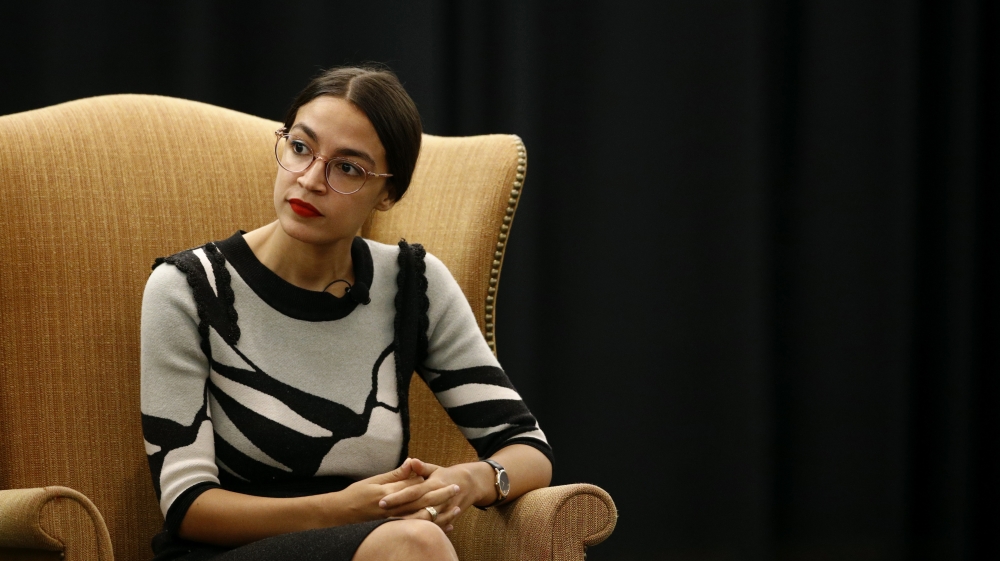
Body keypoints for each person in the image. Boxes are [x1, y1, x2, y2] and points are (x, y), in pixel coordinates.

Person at [140, 65, 553, 561]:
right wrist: (343, 508)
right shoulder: (190, 288)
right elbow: (186, 506)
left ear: (389, 193)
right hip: (224, 552)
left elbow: (527, 446)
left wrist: (468, 480)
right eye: (300, 148)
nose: (311, 179)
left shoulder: (412, 286)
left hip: (376, 544)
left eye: (348, 168)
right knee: (415, 543)